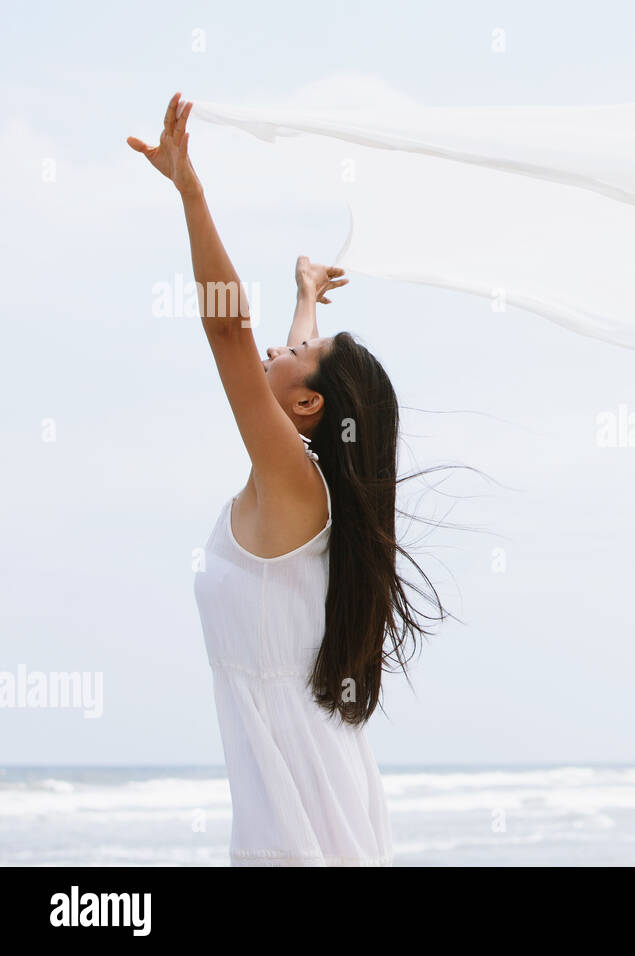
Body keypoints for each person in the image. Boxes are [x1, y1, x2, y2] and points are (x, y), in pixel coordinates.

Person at [128, 92, 443, 866]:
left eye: (297, 350)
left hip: (296, 807)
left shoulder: (294, 485)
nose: (278, 344)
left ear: (307, 404)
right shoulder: (299, 477)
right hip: (306, 781)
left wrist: (190, 190)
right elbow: (290, 376)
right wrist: (305, 296)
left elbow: (229, 330)